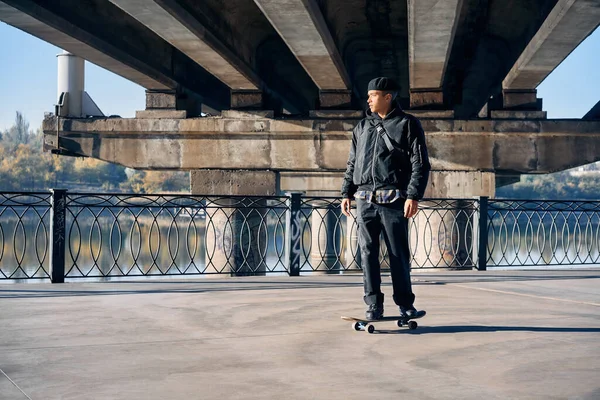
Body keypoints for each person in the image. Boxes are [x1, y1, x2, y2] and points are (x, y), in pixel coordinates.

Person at [340, 77, 431, 320]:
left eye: (373, 95)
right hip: (364, 201)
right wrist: (346, 192)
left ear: (388, 97)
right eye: (368, 95)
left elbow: (420, 163)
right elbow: (352, 163)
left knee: (397, 254)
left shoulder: (407, 124)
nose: (368, 99)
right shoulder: (361, 127)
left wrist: (413, 195)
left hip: (393, 201)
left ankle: (405, 305)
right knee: (367, 253)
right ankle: (373, 306)